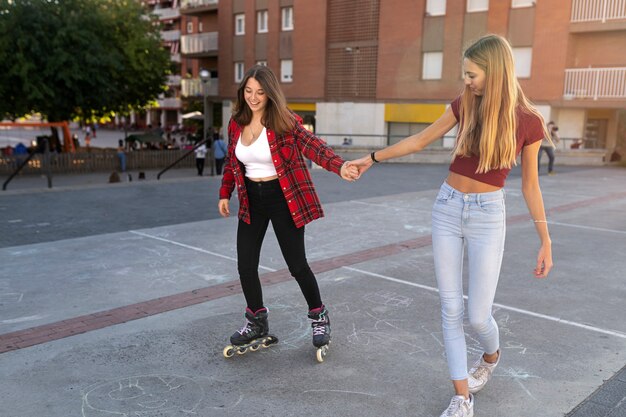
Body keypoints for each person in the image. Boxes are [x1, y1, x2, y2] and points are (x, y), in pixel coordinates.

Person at [349, 34, 553, 417]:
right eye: (465, 74)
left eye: (472, 74)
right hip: (447, 206)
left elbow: (530, 185)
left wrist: (545, 240)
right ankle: (462, 397)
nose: (467, 81)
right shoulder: (465, 104)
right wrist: (370, 158)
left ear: (494, 72)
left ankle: (490, 356)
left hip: (488, 215)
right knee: (448, 309)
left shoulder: (529, 121)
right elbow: (420, 140)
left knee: (478, 315)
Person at [218, 64, 358, 354]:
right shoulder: (236, 122)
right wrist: (224, 193)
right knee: (246, 265)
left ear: (270, 94)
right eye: (248, 91)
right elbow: (232, 163)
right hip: (251, 200)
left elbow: (314, 147)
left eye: (259, 92)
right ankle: (256, 320)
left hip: (283, 197)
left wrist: (340, 166)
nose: (253, 98)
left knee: (296, 265)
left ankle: (319, 315)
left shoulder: (284, 121)